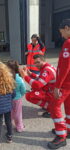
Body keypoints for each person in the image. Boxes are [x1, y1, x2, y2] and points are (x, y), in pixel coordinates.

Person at [47, 19, 70, 149]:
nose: (61, 36)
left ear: (67, 28)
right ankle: (68, 129)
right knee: (68, 107)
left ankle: (61, 136)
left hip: (65, 83)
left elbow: (65, 67)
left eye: (62, 32)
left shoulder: (68, 43)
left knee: (54, 106)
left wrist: (57, 86)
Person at [0, 63, 15, 146]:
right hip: (8, 106)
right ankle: (10, 136)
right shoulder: (10, 81)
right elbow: (13, 94)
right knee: (8, 121)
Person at [7, 60, 26, 132]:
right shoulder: (19, 78)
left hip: (8, 98)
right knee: (18, 113)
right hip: (17, 98)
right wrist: (21, 95)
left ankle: (9, 124)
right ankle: (19, 127)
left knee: (10, 112)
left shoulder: (6, 78)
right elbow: (23, 89)